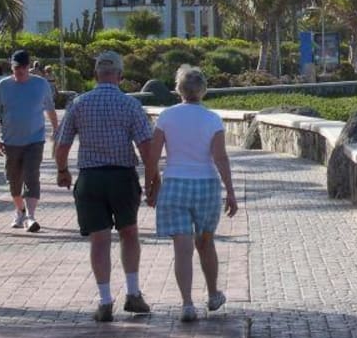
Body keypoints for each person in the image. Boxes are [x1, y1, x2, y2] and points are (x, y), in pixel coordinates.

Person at [54, 50, 158, 322]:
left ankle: (104, 300)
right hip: (122, 178)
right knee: (129, 233)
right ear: (120, 75)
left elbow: (62, 145)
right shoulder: (130, 105)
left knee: (99, 240)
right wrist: (152, 181)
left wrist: (62, 171)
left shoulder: (79, 103)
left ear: (95, 74)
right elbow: (147, 149)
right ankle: (133, 293)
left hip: (90, 179)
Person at [148, 65, 238, 322]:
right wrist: (230, 191)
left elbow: (153, 157)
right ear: (203, 90)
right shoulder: (212, 119)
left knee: (182, 247)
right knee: (206, 242)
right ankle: (213, 294)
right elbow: (220, 158)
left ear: (178, 89)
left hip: (175, 184)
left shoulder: (166, 117)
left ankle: (187, 303)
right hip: (206, 186)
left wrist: (150, 186)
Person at [0, 49, 59, 232]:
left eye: (22, 67)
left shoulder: (41, 84)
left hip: (35, 139)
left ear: (29, 67)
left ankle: (31, 216)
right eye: (16, 67)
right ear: (11, 67)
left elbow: (50, 109)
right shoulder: (3, 86)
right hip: (11, 141)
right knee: (14, 180)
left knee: (31, 176)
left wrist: (56, 130)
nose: (19, 71)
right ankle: (20, 210)